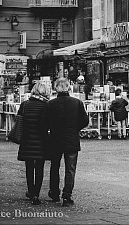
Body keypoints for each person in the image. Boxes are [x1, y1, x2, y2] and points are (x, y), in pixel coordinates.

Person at [47, 78, 89, 206]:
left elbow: (46, 122)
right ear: (69, 88)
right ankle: (67, 195)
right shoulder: (77, 103)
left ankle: (54, 192)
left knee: (54, 167)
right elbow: (85, 121)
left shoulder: (51, 104)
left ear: (56, 88)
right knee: (70, 169)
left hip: (55, 140)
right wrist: (75, 128)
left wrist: (52, 129)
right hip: (71, 139)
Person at [17, 81, 51, 205]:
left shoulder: (24, 104)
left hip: (27, 139)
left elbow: (19, 120)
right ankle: (36, 194)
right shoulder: (46, 106)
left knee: (29, 166)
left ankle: (30, 191)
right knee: (40, 167)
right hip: (41, 140)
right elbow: (47, 124)